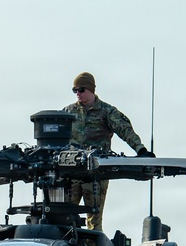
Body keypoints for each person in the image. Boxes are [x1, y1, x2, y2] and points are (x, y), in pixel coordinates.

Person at [63, 72, 154, 231]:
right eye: (75, 90)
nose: (78, 93)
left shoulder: (107, 112)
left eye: (81, 89)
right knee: (63, 217)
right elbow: (54, 136)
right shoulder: (68, 112)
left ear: (91, 89)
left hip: (95, 175)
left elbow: (125, 130)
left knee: (94, 221)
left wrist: (141, 150)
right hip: (71, 174)